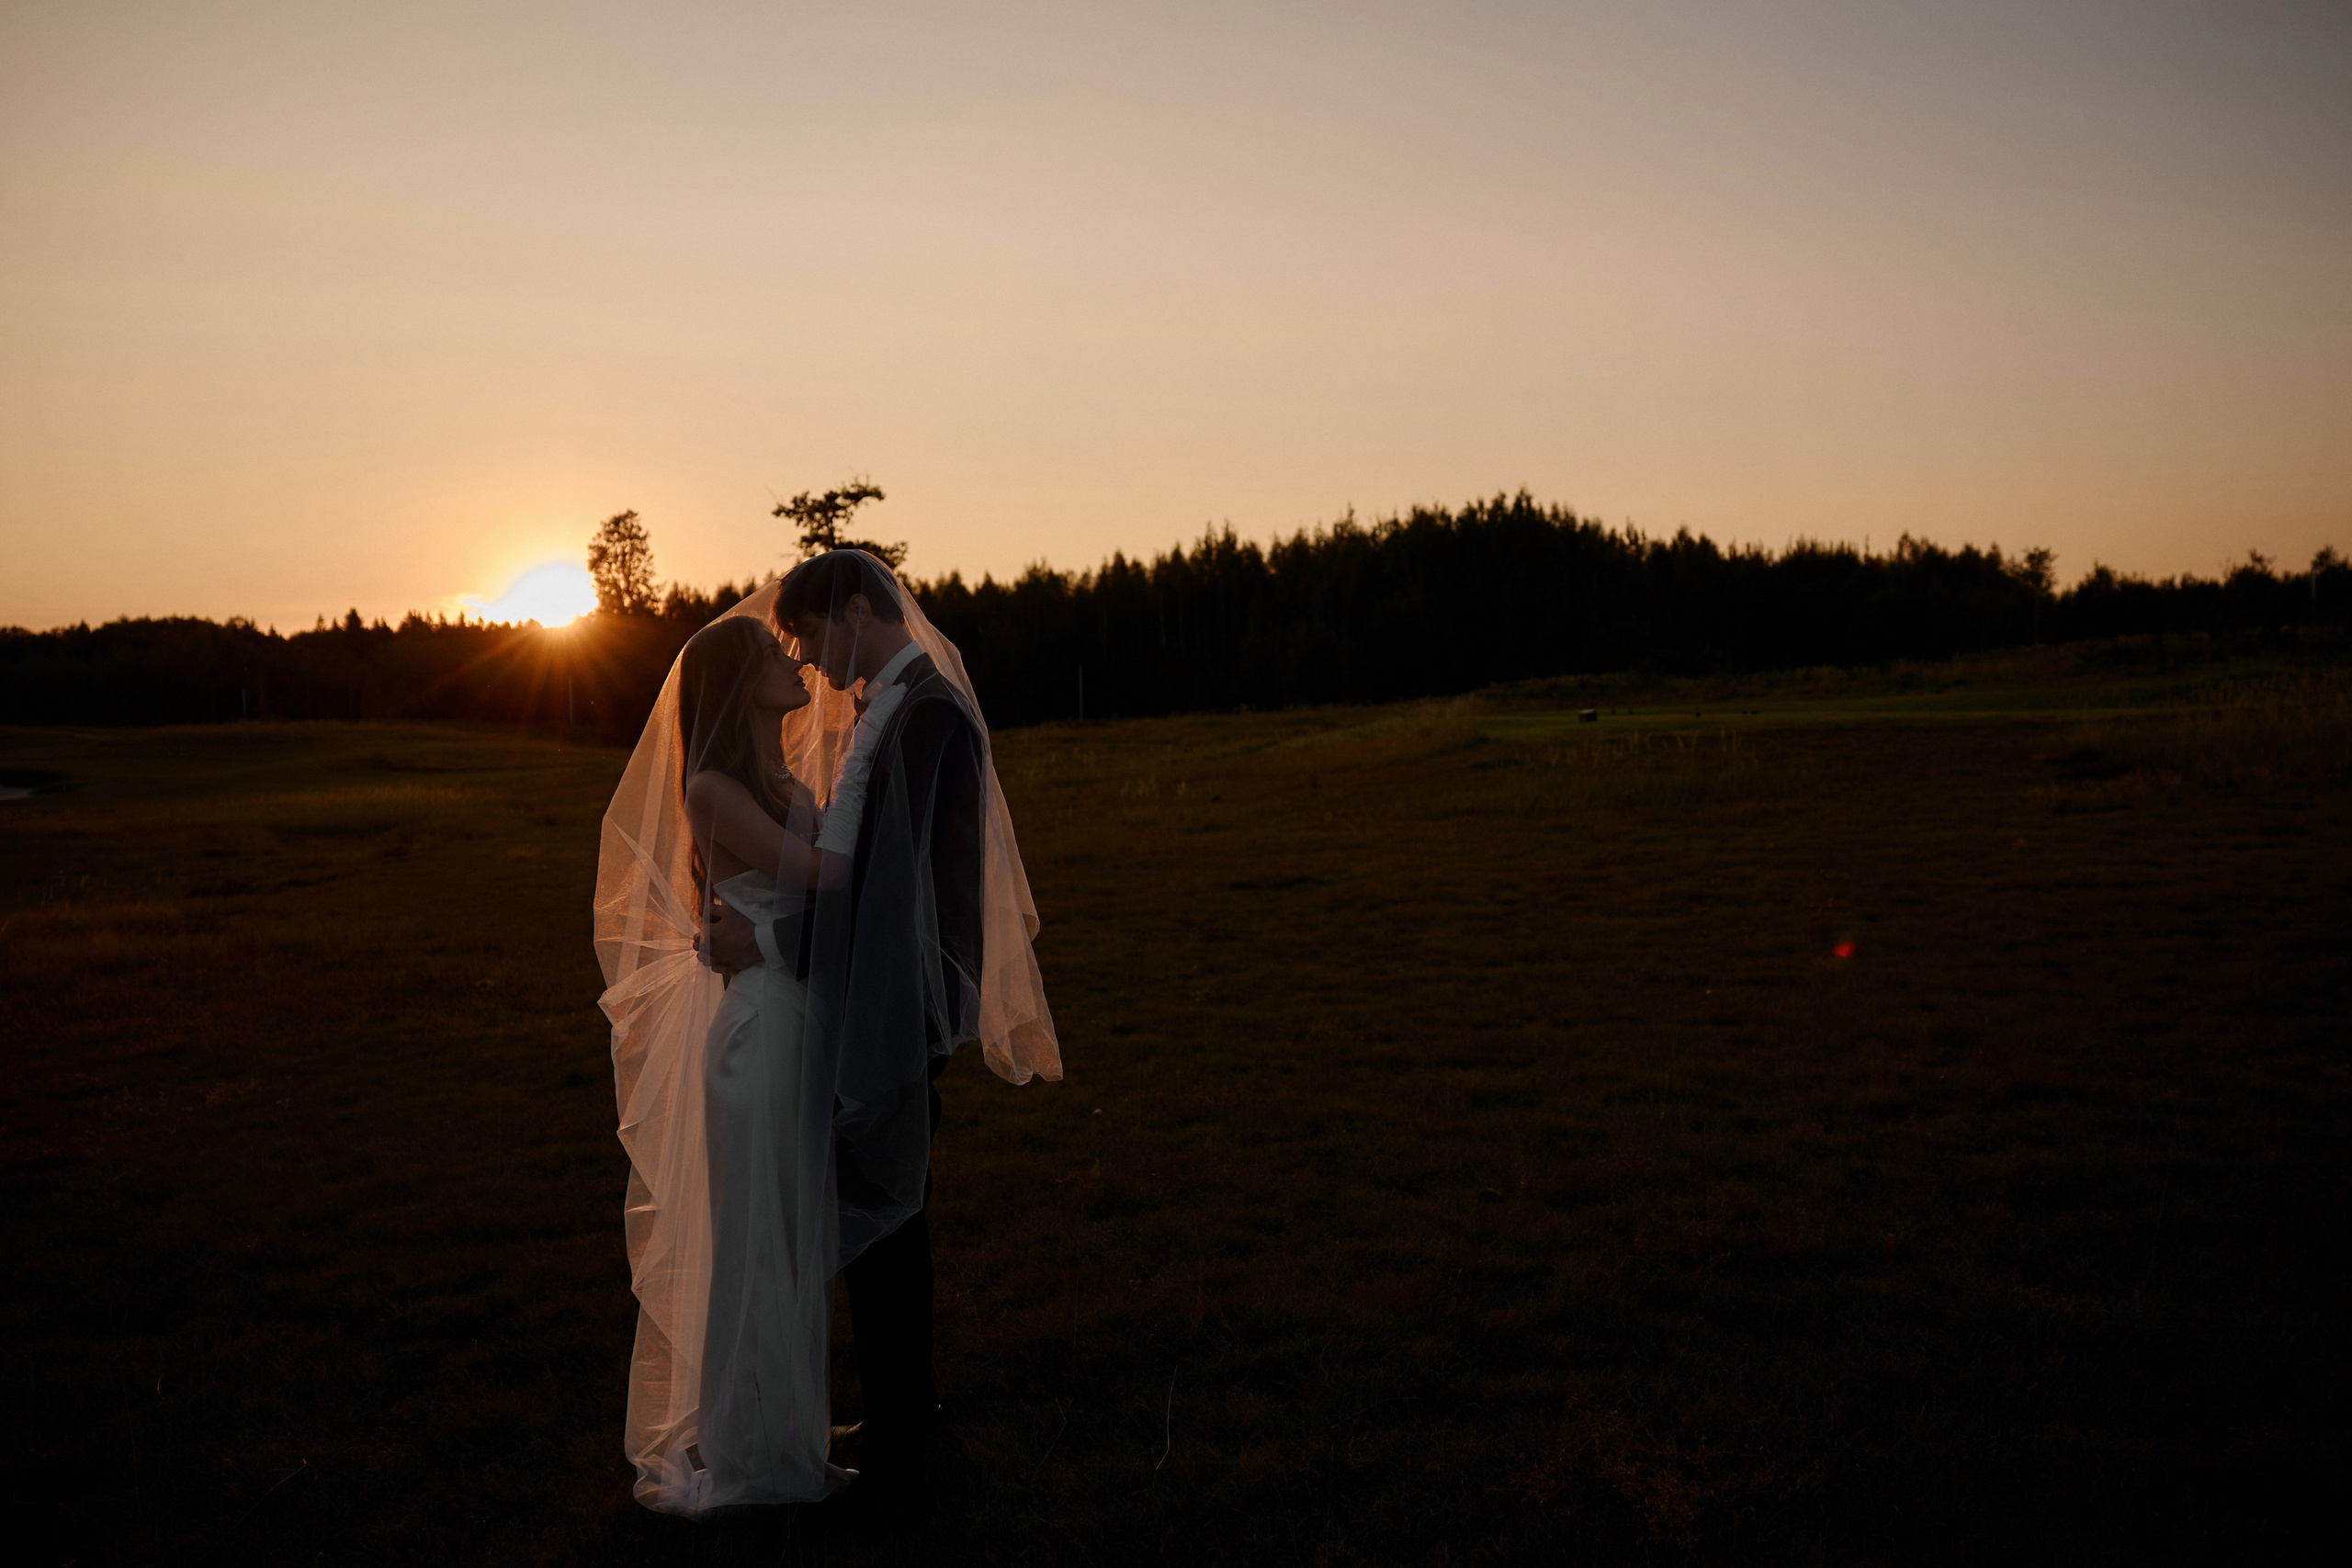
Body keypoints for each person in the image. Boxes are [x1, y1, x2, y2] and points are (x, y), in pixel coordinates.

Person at [594, 552, 1060, 1520]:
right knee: (842, 1227)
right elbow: (835, 871)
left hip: (887, 1003)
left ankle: (891, 1429)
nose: (803, 658)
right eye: (785, 647)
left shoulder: (923, 713)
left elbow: (888, 891)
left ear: (856, 610)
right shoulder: (864, 718)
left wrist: (759, 935)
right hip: (804, 1018)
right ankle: (857, 1427)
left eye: (806, 635)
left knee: (885, 1221)